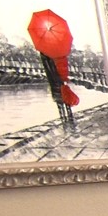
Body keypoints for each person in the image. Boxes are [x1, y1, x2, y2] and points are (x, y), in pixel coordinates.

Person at [26, 9, 81, 137]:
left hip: (53, 81)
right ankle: (70, 123)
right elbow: (64, 69)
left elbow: (48, 69)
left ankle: (64, 124)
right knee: (66, 102)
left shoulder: (44, 52)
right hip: (62, 80)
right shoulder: (62, 51)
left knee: (59, 102)